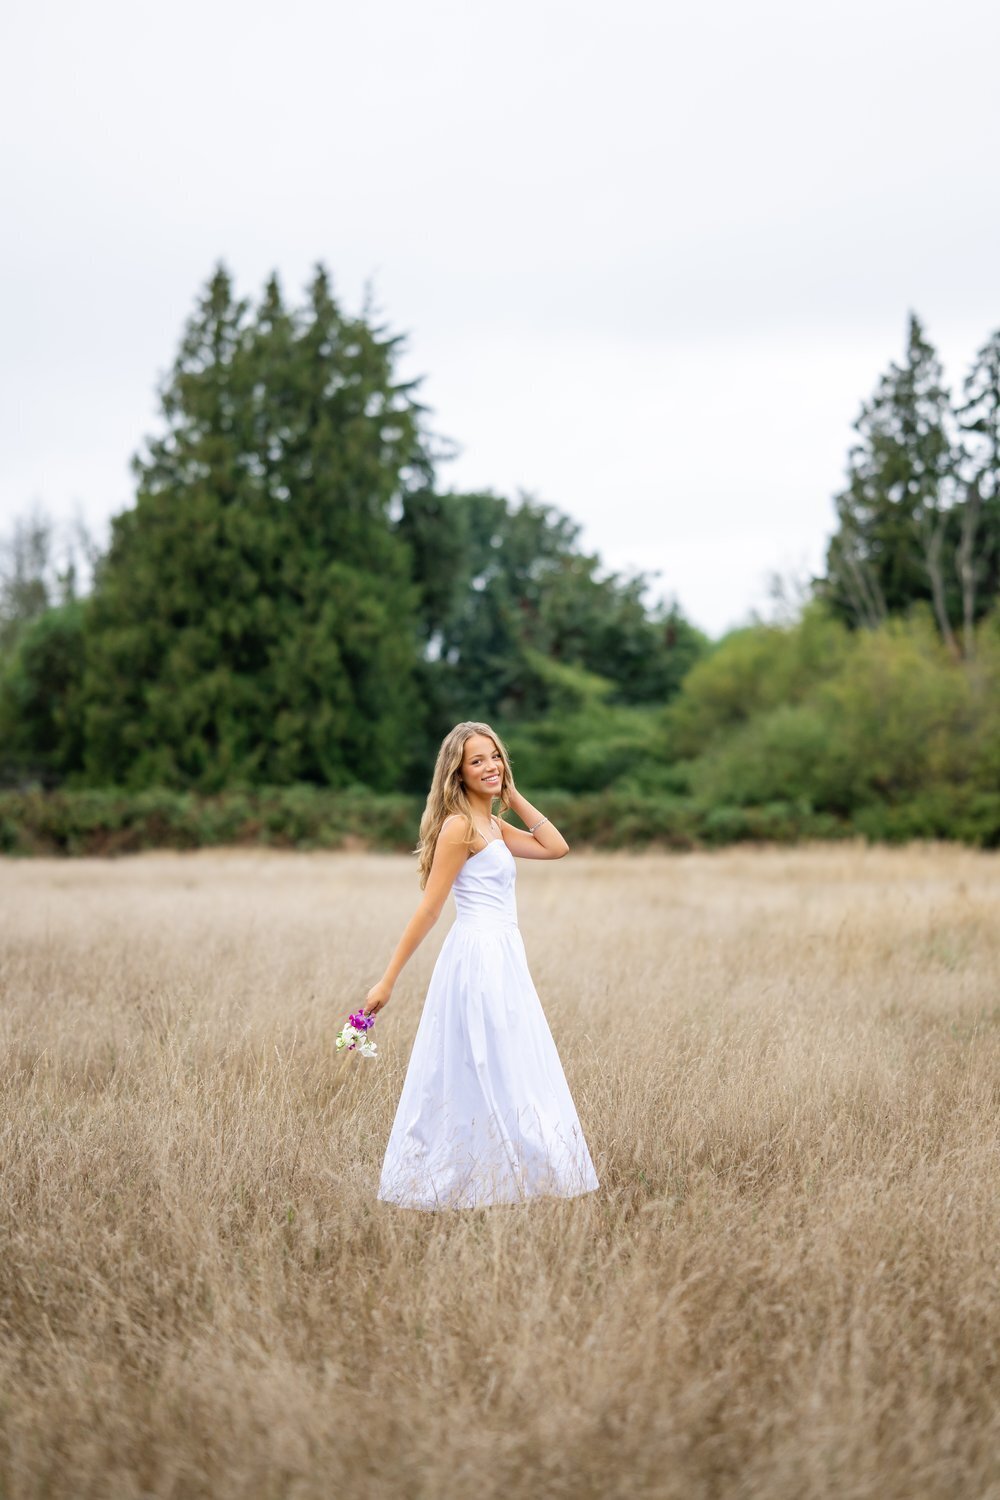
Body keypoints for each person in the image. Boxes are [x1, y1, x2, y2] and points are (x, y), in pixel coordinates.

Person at [365, 720, 600, 1211]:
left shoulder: (492, 824)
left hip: (505, 956)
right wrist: (388, 980)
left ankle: (509, 1181)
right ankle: (465, 1183)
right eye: (477, 761)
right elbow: (430, 909)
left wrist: (512, 796)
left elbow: (556, 847)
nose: (490, 766)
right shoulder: (460, 827)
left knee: (513, 1063)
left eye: (494, 756)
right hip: (476, 958)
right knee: (484, 1065)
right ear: (458, 772)